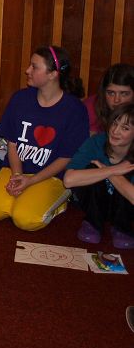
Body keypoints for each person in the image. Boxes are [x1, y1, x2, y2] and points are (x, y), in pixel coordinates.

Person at [0, 46, 89, 231]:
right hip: (16, 168)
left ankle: (61, 199)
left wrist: (31, 181)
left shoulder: (74, 109)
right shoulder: (20, 99)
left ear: (53, 74)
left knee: (26, 220)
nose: (27, 70)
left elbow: (66, 157)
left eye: (34, 67)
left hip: (51, 175)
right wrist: (17, 176)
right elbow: (12, 144)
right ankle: (23, 195)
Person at [63, 103, 134, 249]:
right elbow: (68, 180)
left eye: (125, 128)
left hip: (124, 206)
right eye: (114, 123)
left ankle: (121, 226)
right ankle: (92, 223)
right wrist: (111, 170)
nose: (115, 131)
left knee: (127, 170)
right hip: (93, 201)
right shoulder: (97, 142)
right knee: (92, 168)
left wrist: (111, 171)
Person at [83, 63, 134, 134]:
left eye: (124, 94)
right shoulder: (90, 107)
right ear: (103, 92)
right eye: (111, 93)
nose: (116, 100)